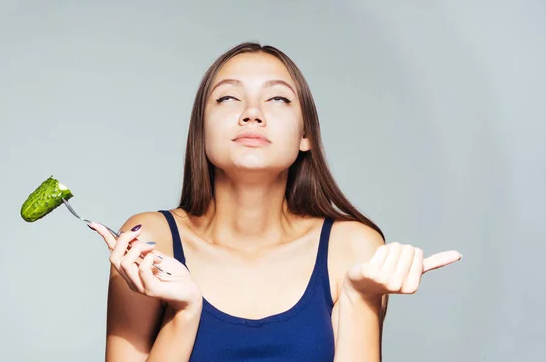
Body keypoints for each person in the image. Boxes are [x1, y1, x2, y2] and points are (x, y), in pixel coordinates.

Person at [89, 42, 462, 361]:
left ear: (306, 136)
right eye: (228, 97)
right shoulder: (152, 240)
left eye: (278, 98)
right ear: (201, 132)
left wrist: (359, 298)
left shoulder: (353, 245)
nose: (252, 113)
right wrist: (183, 314)